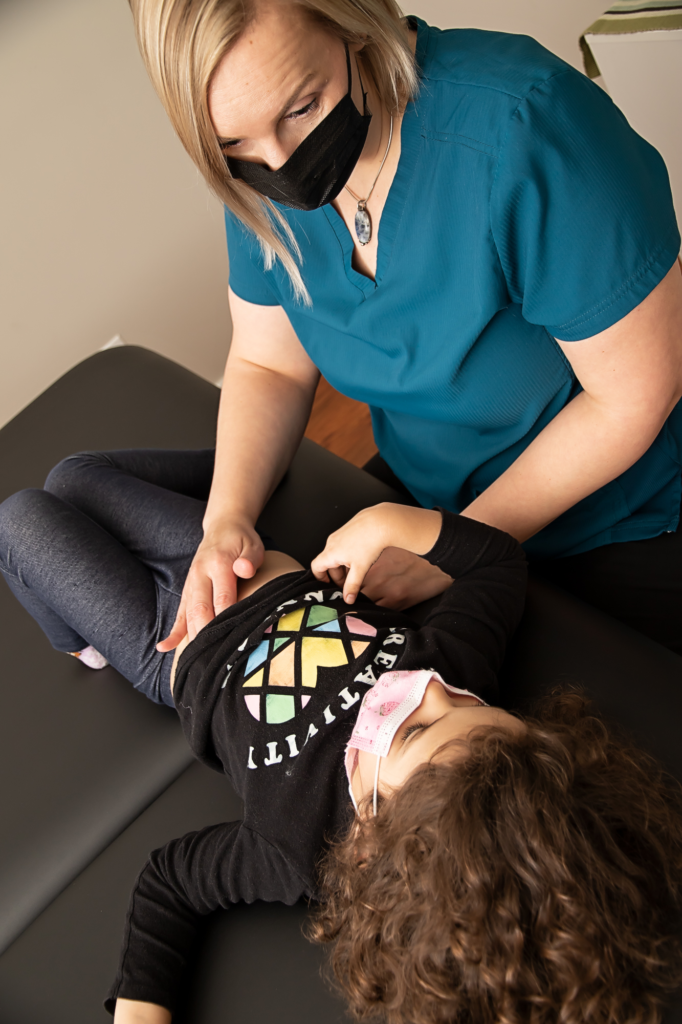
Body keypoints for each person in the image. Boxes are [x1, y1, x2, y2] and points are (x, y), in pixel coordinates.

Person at [0, 452, 681, 1024]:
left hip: (168, 642)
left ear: (367, 845)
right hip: (249, 567)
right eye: (475, 706)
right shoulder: (454, 673)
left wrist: (142, 1009)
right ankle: (253, 467)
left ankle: (77, 642)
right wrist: (399, 524)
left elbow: (170, 884)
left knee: (22, 518)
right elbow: (496, 564)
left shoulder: (295, 849)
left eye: (415, 729)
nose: (433, 688)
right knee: (76, 476)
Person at [126, 0, 682, 660]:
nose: (279, 163)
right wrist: (225, 519)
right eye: (236, 145)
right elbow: (267, 363)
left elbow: (633, 397)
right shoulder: (260, 184)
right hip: (426, 500)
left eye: (302, 108)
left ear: (351, 24)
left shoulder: (524, 125)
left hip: (619, 518)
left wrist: (454, 547)